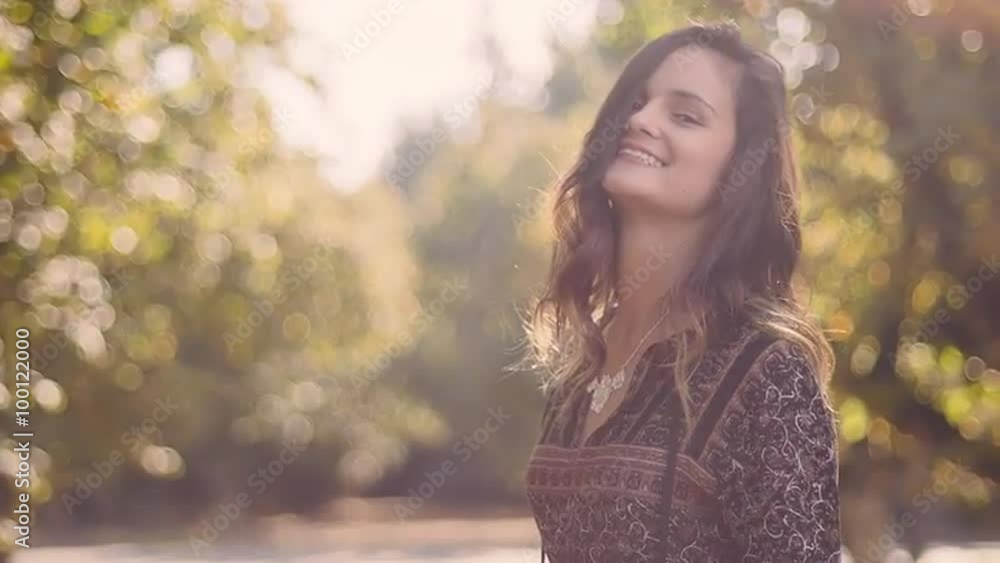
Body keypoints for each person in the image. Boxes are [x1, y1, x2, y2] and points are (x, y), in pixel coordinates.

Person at [517, 22, 841, 562]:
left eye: (685, 115)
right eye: (636, 103)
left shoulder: (764, 372)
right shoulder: (582, 365)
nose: (640, 121)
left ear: (740, 169)